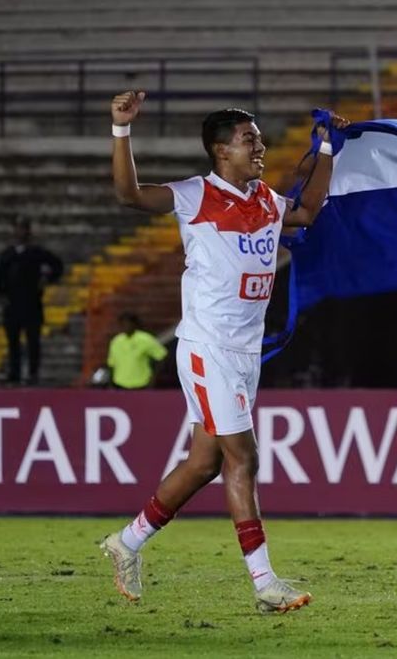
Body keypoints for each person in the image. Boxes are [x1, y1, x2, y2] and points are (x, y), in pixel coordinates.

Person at [98, 90, 346, 613]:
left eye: (257, 139)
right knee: (244, 456)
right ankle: (263, 584)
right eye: (248, 139)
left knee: (204, 462)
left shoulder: (266, 201)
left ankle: (128, 541)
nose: (259, 147)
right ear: (220, 151)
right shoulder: (194, 195)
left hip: (244, 351)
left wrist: (326, 151)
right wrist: (121, 130)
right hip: (207, 345)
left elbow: (307, 211)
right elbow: (129, 195)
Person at [0, 215, 63, 385]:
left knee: (33, 341)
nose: (20, 232)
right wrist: (1, 295)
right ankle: (14, 373)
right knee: (13, 342)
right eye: (17, 228)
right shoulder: (7, 255)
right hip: (12, 304)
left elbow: (57, 266)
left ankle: (33, 373)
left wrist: (47, 280)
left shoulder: (37, 253)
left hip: (32, 303)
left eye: (23, 228)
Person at [105, 312, 168, 389]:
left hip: (141, 384)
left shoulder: (145, 339)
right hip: (119, 385)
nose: (125, 326)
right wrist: (110, 384)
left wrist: (153, 380)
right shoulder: (116, 341)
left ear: (135, 324)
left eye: (128, 323)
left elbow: (162, 356)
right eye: (122, 324)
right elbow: (112, 364)